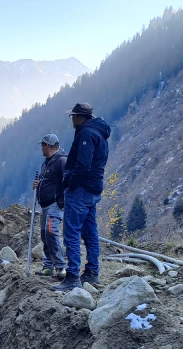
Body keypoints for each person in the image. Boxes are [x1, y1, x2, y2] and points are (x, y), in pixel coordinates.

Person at [52, 102, 111, 291]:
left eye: (73, 116)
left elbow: (83, 165)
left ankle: (72, 277)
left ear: (78, 117)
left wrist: (70, 183)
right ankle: (92, 272)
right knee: (90, 232)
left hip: (81, 190)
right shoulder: (100, 133)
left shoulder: (86, 134)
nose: (72, 120)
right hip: (94, 189)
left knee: (71, 233)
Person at [32, 134, 68, 280]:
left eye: (42, 145)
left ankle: (60, 267)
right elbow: (46, 180)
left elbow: (68, 181)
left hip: (55, 204)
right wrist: (38, 184)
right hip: (44, 205)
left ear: (47, 146)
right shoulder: (46, 163)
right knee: (44, 235)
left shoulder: (62, 161)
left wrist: (61, 201)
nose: (41, 148)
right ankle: (48, 266)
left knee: (51, 231)